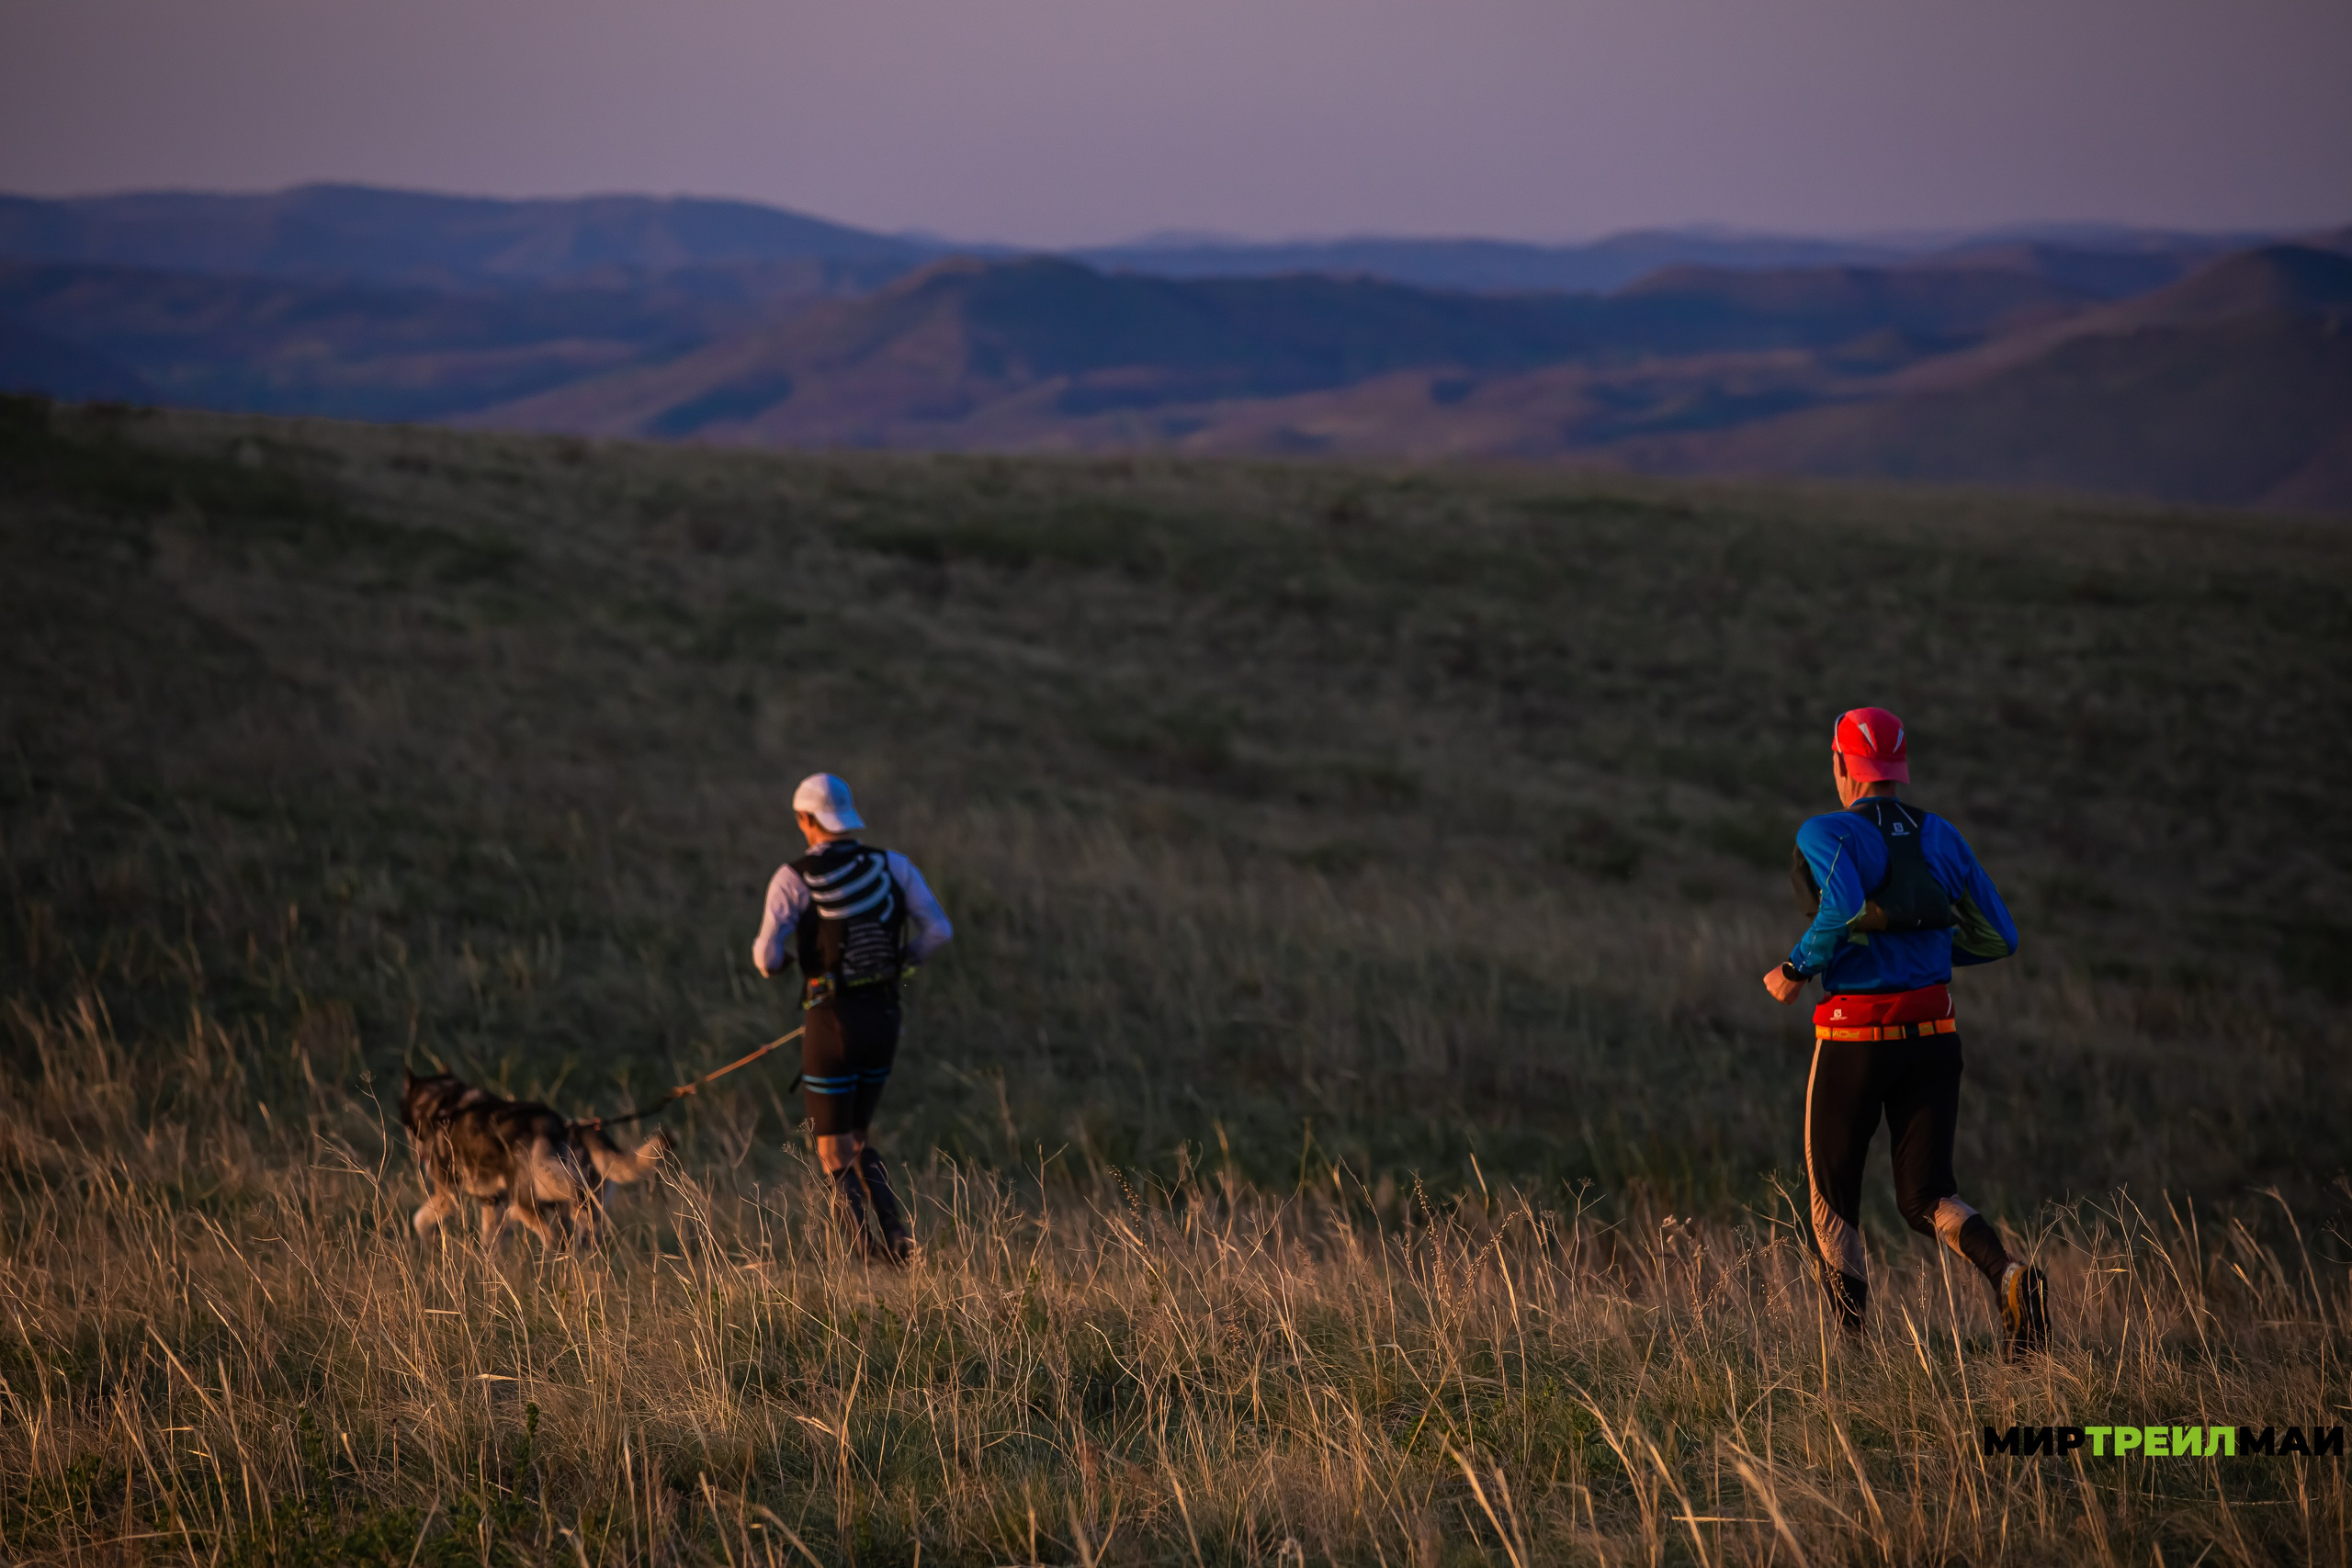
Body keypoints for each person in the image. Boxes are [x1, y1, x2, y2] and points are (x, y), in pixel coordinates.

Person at [1762, 707, 2047, 1357]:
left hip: (1854, 1039)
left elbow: (1835, 909)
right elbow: (2001, 936)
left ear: (1841, 765)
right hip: (1934, 1034)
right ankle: (2007, 1273)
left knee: (1834, 1197)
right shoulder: (1940, 834)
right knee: (1928, 1195)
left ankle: (1851, 1356)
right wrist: (1935, 958)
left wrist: (1793, 968)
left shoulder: (1824, 830)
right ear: (1898, 768)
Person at [753, 773, 953, 1262]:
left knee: (831, 1151)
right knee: (857, 1137)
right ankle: (899, 1243)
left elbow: (765, 957)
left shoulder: (793, 877)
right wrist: (902, 960)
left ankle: (868, 1258)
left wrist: (783, 966)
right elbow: (939, 930)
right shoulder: (894, 866)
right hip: (885, 1016)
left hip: (831, 1021)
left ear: (806, 819)